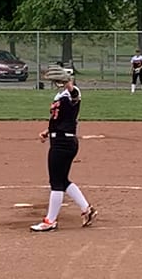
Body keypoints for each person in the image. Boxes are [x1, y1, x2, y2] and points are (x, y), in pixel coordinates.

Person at [33, 66, 95, 232]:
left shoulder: (73, 93)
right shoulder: (60, 96)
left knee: (56, 183)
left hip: (63, 143)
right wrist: (47, 131)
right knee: (63, 180)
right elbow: (60, 119)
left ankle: (50, 221)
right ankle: (87, 209)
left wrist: (69, 83)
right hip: (61, 140)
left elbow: (74, 95)